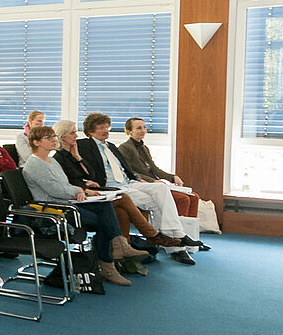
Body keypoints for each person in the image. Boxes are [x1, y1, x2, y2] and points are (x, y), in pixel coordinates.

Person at [21, 123, 131, 287]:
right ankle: (109, 264)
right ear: (36, 142)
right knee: (103, 222)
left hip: (67, 201)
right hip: (55, 208)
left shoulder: (51, 160)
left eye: (54, 136)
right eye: (49, 137)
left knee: (105, 205)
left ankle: (117, 246)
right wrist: (79, 190)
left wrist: (79, 192)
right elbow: (55, 190)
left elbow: (64, 184)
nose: (53, 140)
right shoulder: (35, 164)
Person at [77, 114, 196, 264]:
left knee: (161, 190)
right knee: (159, 203)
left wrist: (134, 176)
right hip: (112, 188)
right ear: (90, 130)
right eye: (101, 128)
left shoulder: (111, 147)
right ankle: (177, 244)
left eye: (107, 127)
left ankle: (173, 236)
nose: (106, 130)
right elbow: (78, 166)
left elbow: (125, 168)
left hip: (129, 183)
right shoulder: (84, 146)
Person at [53, 119, 173, 262]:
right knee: (122, 198)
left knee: (123, 209)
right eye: (72, 133)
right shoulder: (58, 158)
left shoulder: (74, 154)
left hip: (90, 192)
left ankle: (122, 253)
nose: (76, 136)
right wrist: (84, 188)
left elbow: (90, 174)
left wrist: (78, 158)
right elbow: (67, 181)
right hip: (79, 198)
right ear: (62, 137)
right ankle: (150, 236)